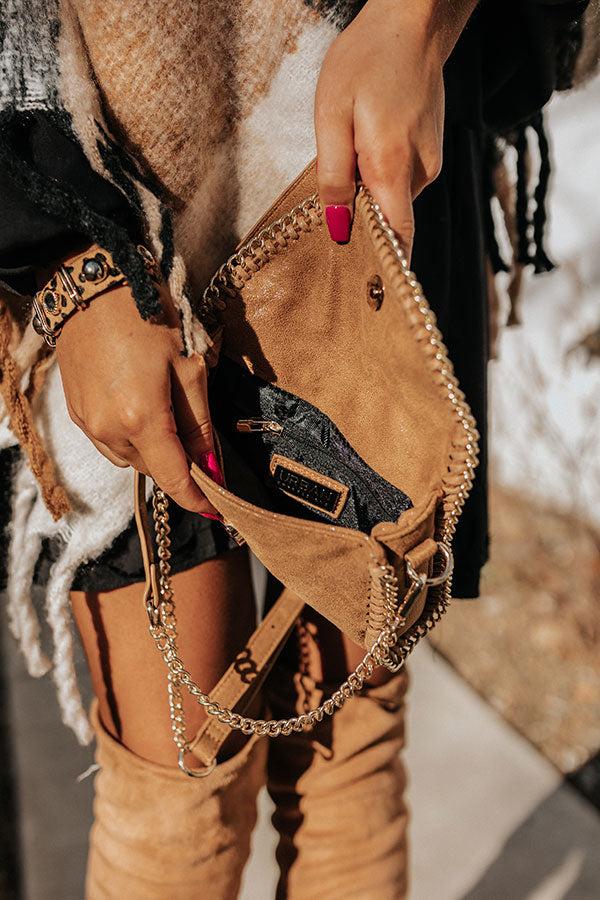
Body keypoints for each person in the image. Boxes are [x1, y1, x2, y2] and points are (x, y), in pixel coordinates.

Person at [0, 1, 593, 897]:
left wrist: (416, 20)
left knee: (353, 739)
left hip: (364, 152)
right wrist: (59, 258)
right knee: (178, 809)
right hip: (99, 173)